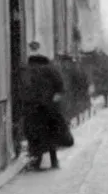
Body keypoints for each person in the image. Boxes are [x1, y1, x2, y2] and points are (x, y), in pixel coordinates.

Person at [20, 41, 72, 171]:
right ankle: (54, 162)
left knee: (35, 135)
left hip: (33, 108)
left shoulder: (26, 69)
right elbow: (60, 86)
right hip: (48, 108)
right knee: (50, 135)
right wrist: (54, 98)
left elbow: (23, 88)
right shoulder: (50, 68)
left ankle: (37, 163)